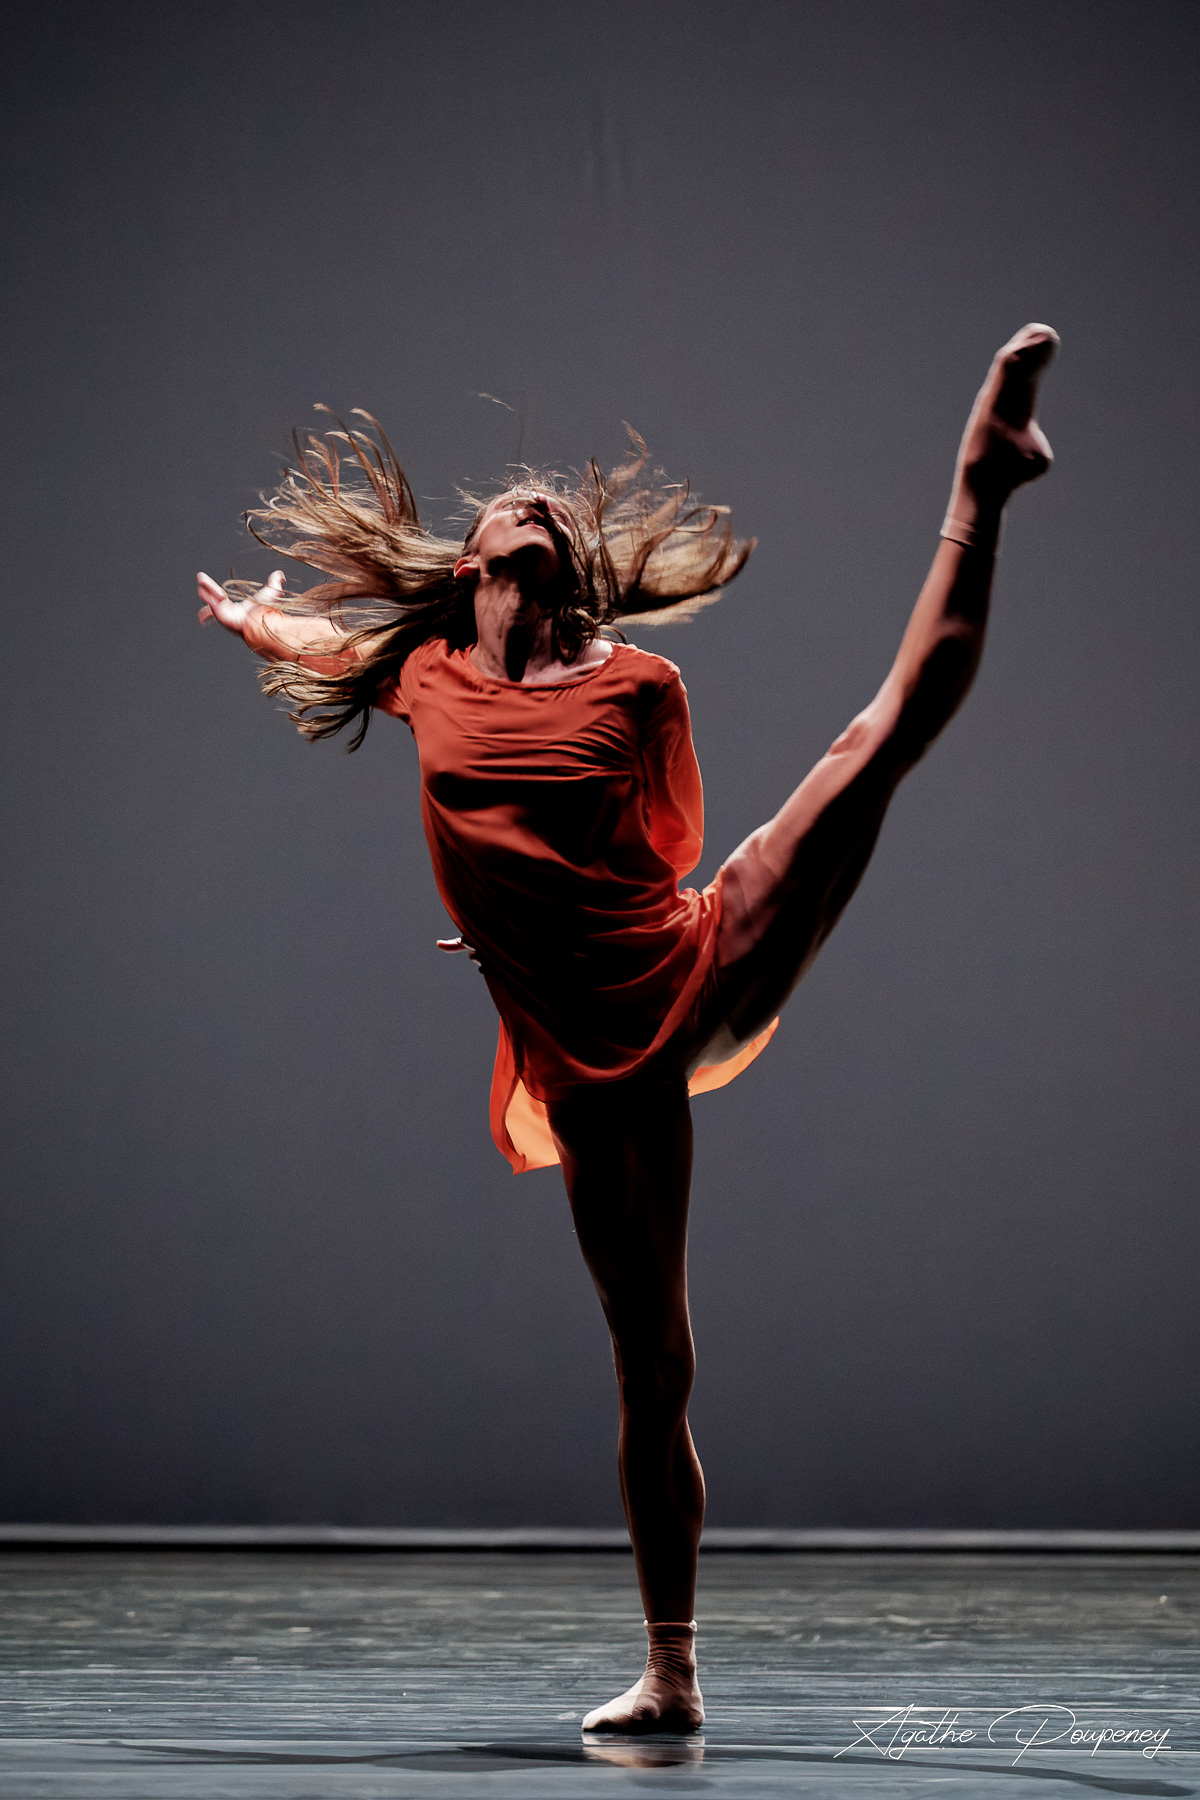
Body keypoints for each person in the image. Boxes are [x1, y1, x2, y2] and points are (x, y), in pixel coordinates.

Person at [197, 324, 1057, 1734]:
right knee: (655, 1366)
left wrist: (546, 899)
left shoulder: (640, 687)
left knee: (875, 742)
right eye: (508, 506)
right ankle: (674, 1673)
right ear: (471, 566)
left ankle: (985, 480)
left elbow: (673, 849)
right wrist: (249, 621)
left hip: (689, 966)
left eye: (548, 507)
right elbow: (326, 642)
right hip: (587, 1065)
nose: (531, 501)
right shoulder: (426, 673)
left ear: (569, 567)